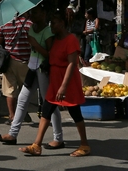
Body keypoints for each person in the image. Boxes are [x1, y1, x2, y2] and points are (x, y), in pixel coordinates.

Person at [20, 10, 90, 157]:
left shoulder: (71, 39)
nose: (51, 26)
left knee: (75, 112)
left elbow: (72, 64)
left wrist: (63, 86)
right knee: (46, 111)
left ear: (62, 23)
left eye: (54, 23)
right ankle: (36, 145)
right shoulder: (55, 40)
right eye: (51, 23)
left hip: (68, 82)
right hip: (55, 80)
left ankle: (84, 145)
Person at [0, 5, 64, 148]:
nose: (33, 15)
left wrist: (35, 44)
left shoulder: (47, 31)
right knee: (22, 99)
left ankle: (58, 138)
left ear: (43, 14)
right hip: (32, 68)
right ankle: (12, 134)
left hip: (43, 70)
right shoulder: (32, 28)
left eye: (36, 13)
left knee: (49, 104)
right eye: (32, 13)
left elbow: (50, 54)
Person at [0, 11, 33, 124]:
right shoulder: (30, 24)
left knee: (10, 90)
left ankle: (12, 116)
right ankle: (23, 112)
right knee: (24, 90)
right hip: (25, 62)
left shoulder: (4, 24)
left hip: (9, 62)